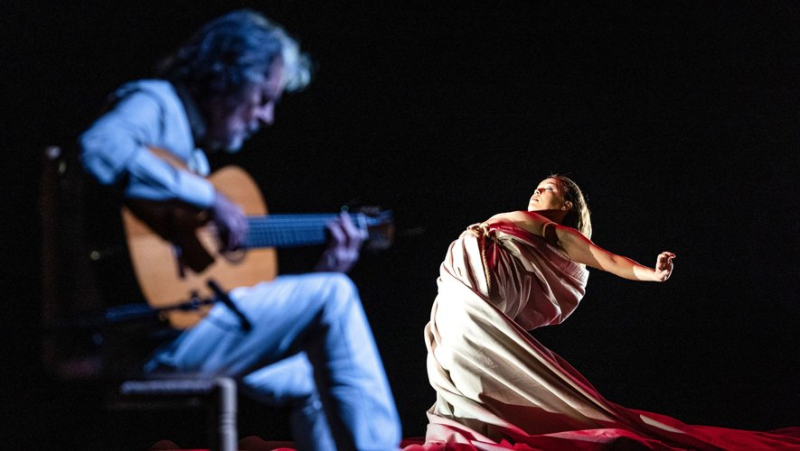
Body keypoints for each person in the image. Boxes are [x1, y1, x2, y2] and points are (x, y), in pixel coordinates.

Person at [78, 9, 401, 451]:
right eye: (263, 97)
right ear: (226, 74)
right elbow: (98, 148)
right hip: (143, 340)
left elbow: (233, 292)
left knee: (316, 373)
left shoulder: (193, 153)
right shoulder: (156, 102)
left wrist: (326, 269)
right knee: (334, 296)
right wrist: (209, 197)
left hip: (182, 329)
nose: (267, 116)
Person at [420, 175, 800, 450]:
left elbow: (608, 260)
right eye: (537, 186)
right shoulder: (524, 220)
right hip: (460, 290)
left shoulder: (553, 230)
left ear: (567, 205)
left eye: (549, 188)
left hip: (474, 299)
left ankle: (479, 423)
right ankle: (475, 423)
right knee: (454, 361)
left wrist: (653, 274)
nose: (538, 190)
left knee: (461, 353)